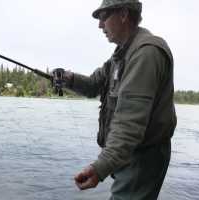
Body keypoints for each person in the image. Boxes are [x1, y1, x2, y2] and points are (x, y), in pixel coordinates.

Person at [55, 0, 177, 199]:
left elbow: (129, 123)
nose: (100, 25)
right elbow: (94, 84)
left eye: (103, 17)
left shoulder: (146, 52)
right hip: (129, 155)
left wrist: (100, 167)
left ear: (123, 14)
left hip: (142, 159)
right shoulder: (122, 54)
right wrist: (69, 79)